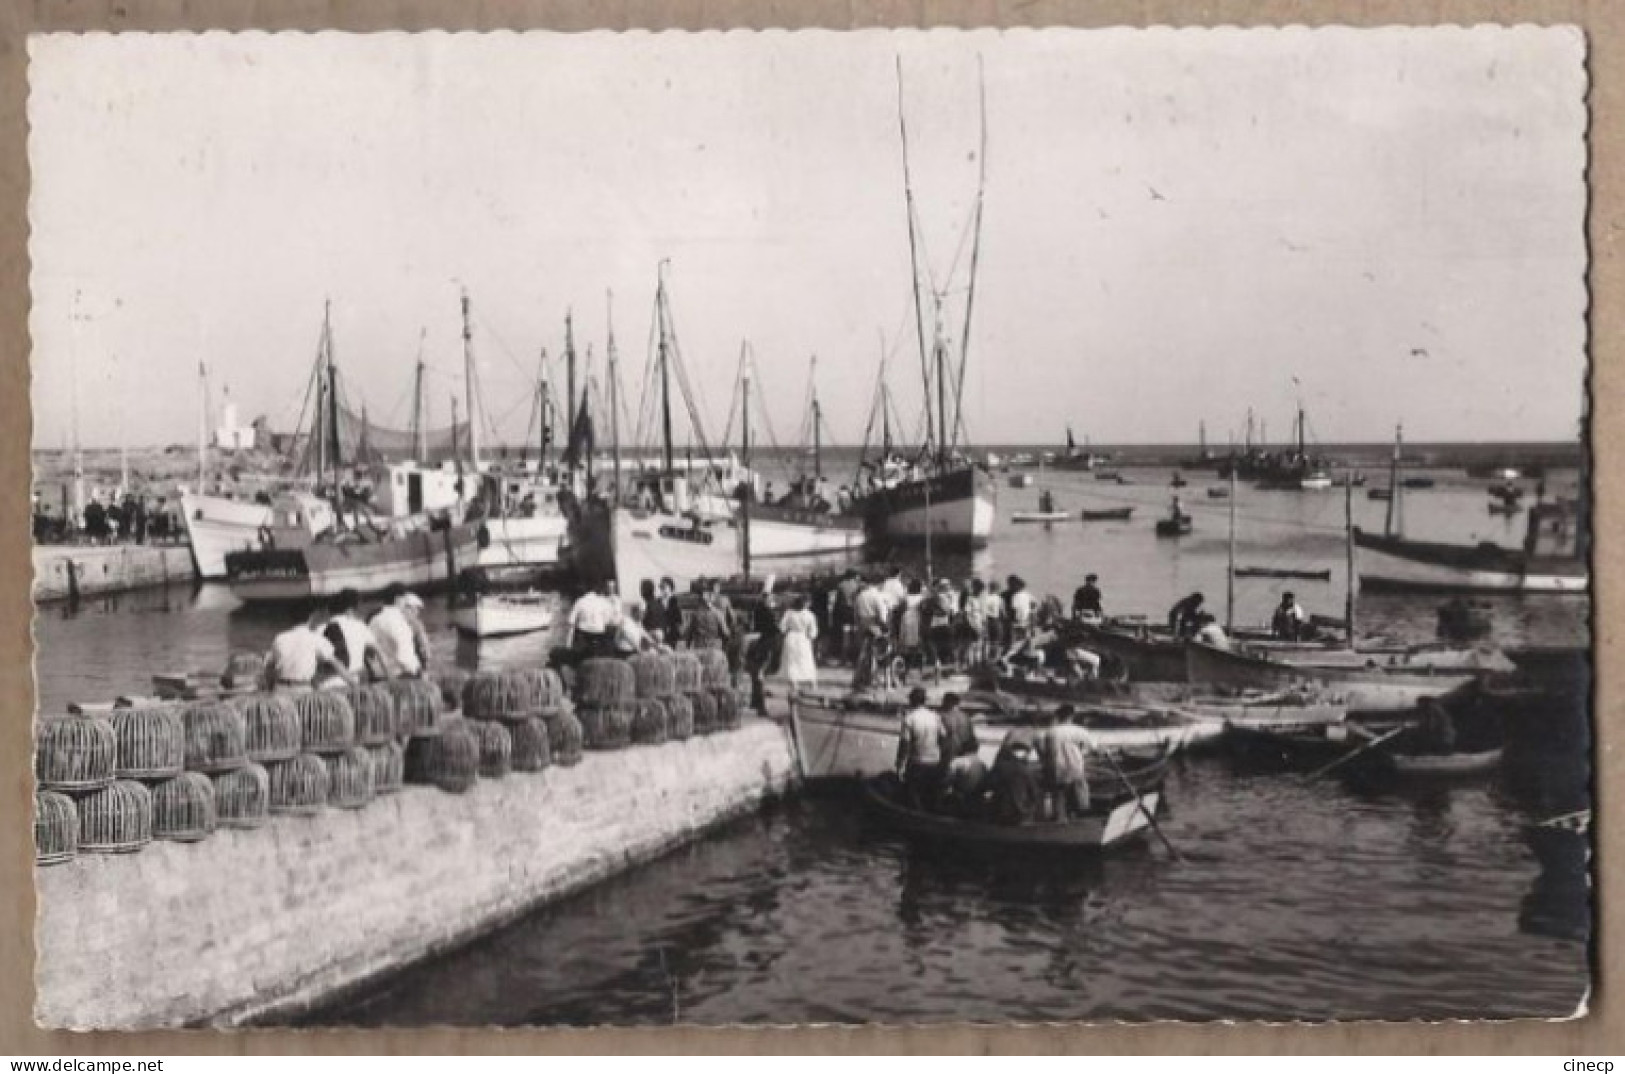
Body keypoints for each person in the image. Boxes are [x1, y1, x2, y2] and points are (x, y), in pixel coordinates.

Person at [263, 605, 356, 691]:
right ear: (310, 617)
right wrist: (353, 684)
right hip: (303, 689)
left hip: (280, 688)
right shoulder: (317, 639)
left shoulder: (279, 638)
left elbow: (269, 667)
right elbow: (336, 664)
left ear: (290, 618)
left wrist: (269, 687)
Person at [1040, 705, 1095, 820]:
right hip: (1075, 766)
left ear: (1058, 716)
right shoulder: (1080, 731)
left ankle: (1060, 819)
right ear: (1072, 716)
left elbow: (1046, 752)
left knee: (1059, 795)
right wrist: (1082, 752)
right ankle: (1079, 818)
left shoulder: (1050, 732)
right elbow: (1093, 747)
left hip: (1057, 767)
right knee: (1079, 795)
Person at [986, 720, 1045, 825]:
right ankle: (1035, 814)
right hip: (1018, 759)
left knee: (1003, 784)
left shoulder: (1012, 730)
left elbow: (1003, 748)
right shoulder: (1034, 732)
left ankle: (998, 809)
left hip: (1003, 757)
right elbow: (1042, 752)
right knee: (1027, 783)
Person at [894, 686, 944, 809]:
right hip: (934, 760)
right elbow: (943, 735)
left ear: (911, 701)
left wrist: (900, 763)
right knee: (930, 794)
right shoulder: (935, 716)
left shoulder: (909, 719)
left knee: (913, 795)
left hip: (918, 761)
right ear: (924, 701)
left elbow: (904, 743)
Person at [321, 588, 383, 684]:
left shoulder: (321, 627)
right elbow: (378, 651)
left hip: (328, 682)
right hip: (354, 680)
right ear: (351, 609)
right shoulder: (359, 626)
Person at [369, 584, 427, 677]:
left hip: (379, 673)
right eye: (405, 599)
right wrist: (417, 670)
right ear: (397, 599)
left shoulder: (374, 619)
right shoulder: (399, 621)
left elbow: (370, 648)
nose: (405, 603)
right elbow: (403, 651)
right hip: (402, 673)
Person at [778, 595, 819, 694]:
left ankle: (795, 683)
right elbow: (813, 631)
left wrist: (786, 631)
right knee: (805, 659)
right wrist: (811, 636)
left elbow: (782, 627)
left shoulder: (789, 613)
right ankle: (811, 683)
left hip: (791, 637)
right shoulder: (809, 615)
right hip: (803, 638)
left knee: (792, 661)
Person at [567, 582, 621, 656]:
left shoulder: (580, 601)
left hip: (584, 633)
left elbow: (571, 622)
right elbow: (609, 621)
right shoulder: (603, 602)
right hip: (599, 633)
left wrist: (568, 644)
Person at [684, 584, 732, 652]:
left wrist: (687, 646)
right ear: (711, 597)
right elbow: (726, 634)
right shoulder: (718, 613)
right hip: (714, 648)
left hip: (699, 648)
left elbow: (689, 634)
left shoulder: (695, 614)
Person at [938, 692, 978, 764]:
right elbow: (972, 738)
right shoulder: (965, 716)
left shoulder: (942, 716)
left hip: (948, 753)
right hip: (964, 752)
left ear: (946, 702)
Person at [1007, 576, 1038, 644]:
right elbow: (1035, 604)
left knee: (1017, 641)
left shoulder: (1015, 596)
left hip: (1018, 622)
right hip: (1026, 621)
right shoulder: (1027, 595)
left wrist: (1011, 620)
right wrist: (1031, 612)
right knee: (1026, 640)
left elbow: (1014, 610)